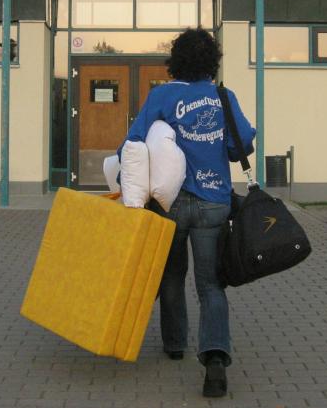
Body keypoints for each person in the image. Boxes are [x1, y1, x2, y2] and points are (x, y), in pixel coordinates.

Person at [118, 27, 255, 398]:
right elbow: (240, 145)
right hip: (214, 202)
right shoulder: (223, 96)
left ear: (175, 61)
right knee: (211, 284)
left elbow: (132, 143)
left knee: (172, 275)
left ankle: (175, 343)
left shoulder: (162, 96)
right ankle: (215, 358)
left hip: (171, 205)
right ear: (212, 61)